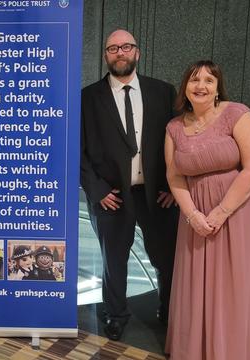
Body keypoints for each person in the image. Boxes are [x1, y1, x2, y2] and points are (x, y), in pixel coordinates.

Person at [164, 60, 250, 360]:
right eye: (194, 80)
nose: (201, 86)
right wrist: (193, 215)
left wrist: (221, 211)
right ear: (185, 87)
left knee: (236, 280)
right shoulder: (174, 127)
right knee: (196, 281)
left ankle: (237, 349)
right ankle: (198, 348)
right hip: (196, 213)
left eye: (208, 81)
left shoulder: (237, 114)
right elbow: (174, 176)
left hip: (241, 209)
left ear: (217, 89)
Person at [80, 29, 179, 341]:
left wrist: (174, 186)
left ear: (137, 52)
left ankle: (169, 308)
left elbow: (179, 142)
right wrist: (96, 190)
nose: (119, 53)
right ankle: (115, 314)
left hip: (157, 194)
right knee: (114, 259)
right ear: (106, 55)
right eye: (112, 48)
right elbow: (76, 149)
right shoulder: (87, 97)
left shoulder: (164, 92)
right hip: (112, 194)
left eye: (125, 47)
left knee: (165, 256)